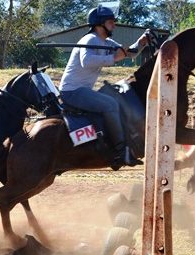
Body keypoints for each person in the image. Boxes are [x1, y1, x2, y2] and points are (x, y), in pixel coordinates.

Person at [58, 5, 148, 169]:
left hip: (82, 90)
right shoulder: (90, 39)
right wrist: (113, 58)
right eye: (110, 21)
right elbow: (87, 60)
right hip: (72, 92)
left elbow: (128, 52)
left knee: (114, 102)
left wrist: (141, 43)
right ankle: (122, 151)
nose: (114, 24)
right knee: (110, 104)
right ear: (100, 24)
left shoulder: (105, 41)